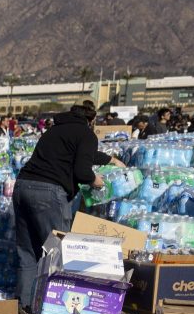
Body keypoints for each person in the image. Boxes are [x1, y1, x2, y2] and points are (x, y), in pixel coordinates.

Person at [12, 100, 122, 303]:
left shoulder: (54, 131)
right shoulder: (87, 134)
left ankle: (24, 308)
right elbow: (82, 170)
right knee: (58, 253)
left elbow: (81, 154)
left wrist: (109, 160)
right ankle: (55, 307)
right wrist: (96, 181)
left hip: (22, 187)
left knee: (28, 254)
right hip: (49, 193)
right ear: (92, 119)